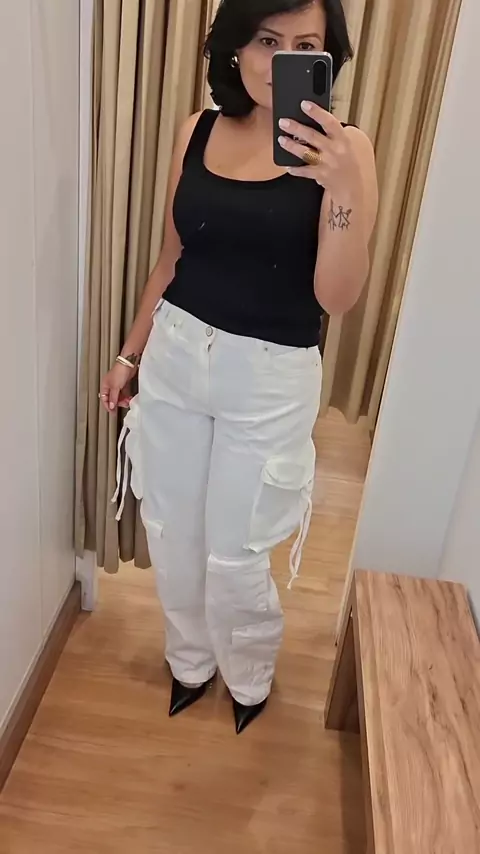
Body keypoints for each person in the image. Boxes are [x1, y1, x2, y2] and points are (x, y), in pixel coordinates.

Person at [100, 0, 378, 734]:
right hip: (177, 355)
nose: (280, 61)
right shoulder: (197, 130)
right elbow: (172, 258)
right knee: (172, 530)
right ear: (235, 46)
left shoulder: (347, 149)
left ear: (327, 57)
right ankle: (189, 663)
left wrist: (343, 188)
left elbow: (336, 297)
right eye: (265, 39)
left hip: (270, 375)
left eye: (305, 44)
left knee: (237, 552)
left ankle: (248, 676)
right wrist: (131, 353)